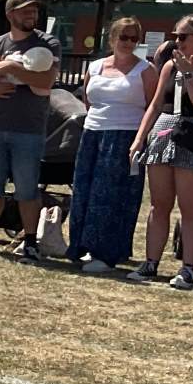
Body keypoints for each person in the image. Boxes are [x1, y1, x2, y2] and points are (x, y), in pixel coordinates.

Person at [130, 10, 193, 290]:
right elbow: (155, 104)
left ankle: (188, 269)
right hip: (165, 131)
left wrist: (189, 74)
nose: (178, 41)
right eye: (175, 36)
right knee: (159, 204)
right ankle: (150, 263)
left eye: (184, 36)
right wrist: (139, 138)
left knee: (189, 207)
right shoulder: (169, 66)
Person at [0, 0, 61, 259]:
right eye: (25, 10)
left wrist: (11, 67)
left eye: (34, 10)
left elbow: (46, 81)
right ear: (10, 15)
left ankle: (30, 242)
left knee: (27, 188)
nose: (31, 14)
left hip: (28, 129)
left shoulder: (48, 43)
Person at [68, 17, 156, 274]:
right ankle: (82, 244)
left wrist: (140, 140)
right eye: (123, 37)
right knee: (84, 190)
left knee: (111, 195)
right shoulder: (95, 67)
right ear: (112, 38)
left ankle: (106, 253)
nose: (128, 43)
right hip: (92, 133)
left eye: (134, 38)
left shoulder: (145, 70)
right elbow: (88, 100)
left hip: (125, 135)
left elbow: (152, 105)